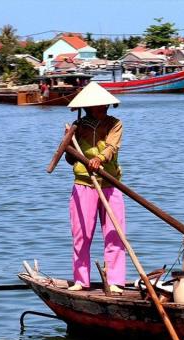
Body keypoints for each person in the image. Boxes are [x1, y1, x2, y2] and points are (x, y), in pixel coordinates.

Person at [63, 82, 126, 293]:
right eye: (98, 106)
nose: (103, 109)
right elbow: (70, 160)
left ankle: (116, 280)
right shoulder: (77, 126)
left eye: (105, 105)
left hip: (110, 182)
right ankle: (81, 280)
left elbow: (111, 147)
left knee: (114, 233)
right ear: (89, 107)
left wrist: (99, 159)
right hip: (84, 184)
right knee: (82, 234)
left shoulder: (115, 124)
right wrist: (68, 143)